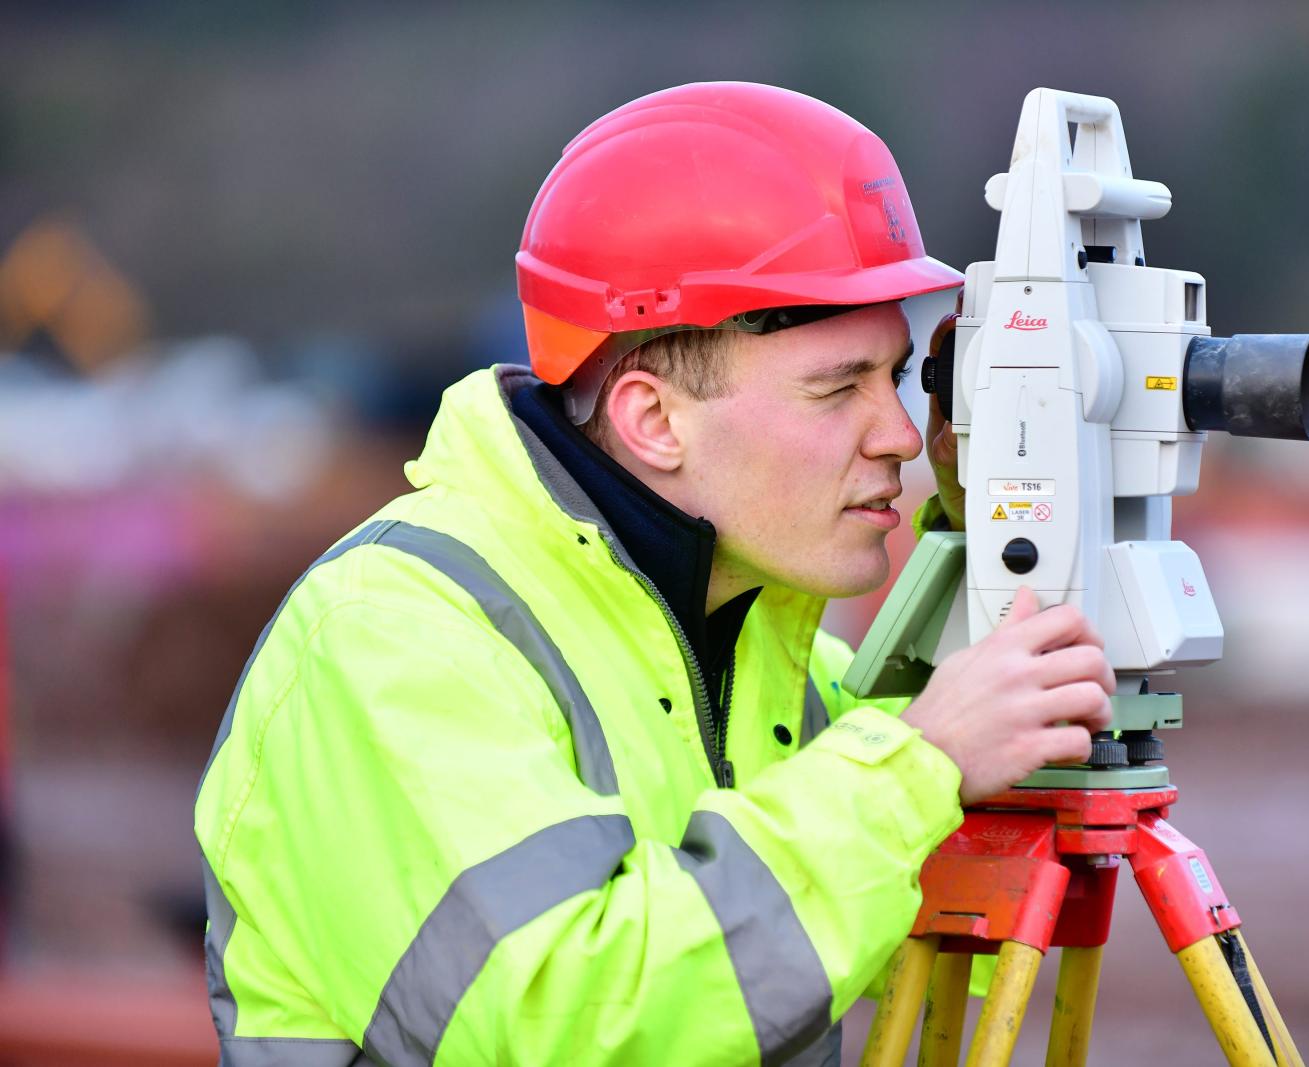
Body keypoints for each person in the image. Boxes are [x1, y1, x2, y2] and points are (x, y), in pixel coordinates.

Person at [195, 81, 1113, 1066]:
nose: (894, 433)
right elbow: (567, 1022)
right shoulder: (395, 634)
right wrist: (917, 768)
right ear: (653, 421)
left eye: (892, 379)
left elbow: (951, 933)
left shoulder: (766, 653)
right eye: (836, 387)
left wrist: (988, 528)